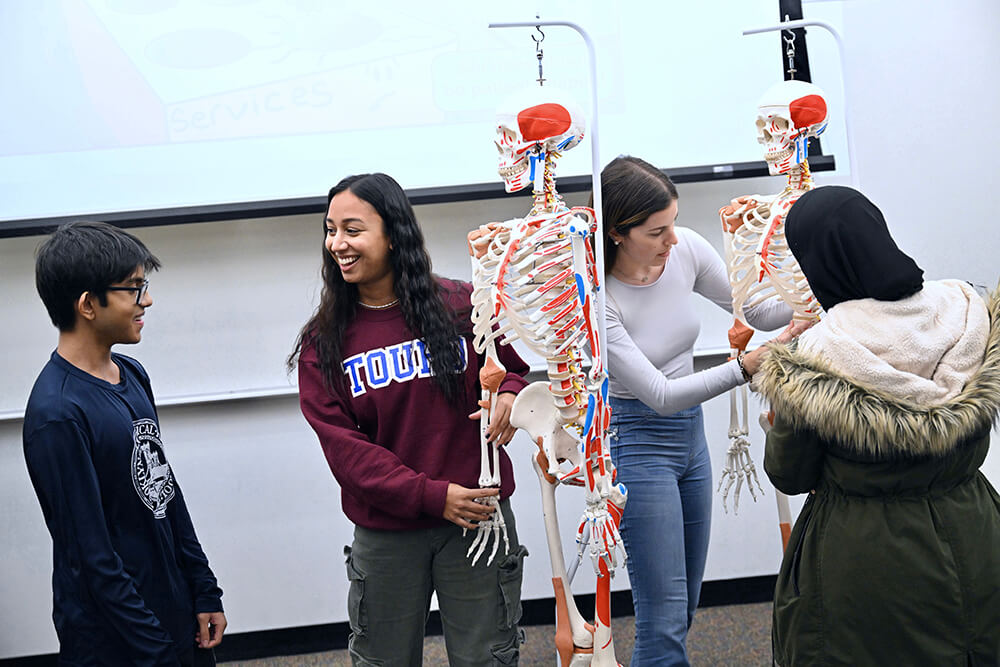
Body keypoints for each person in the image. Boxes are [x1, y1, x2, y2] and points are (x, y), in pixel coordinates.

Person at [289, 173, 530, 667]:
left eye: (352, 230)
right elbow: (347, 454)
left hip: (478, 520)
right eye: (330, 229)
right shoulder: (323, 342)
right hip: (388, 531)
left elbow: (511, 371)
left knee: (487, 658)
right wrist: (432, 496)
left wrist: (509, 396)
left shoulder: (462, 305)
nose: (337, 244)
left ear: (393, 234)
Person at [756, 185, 1000, 666]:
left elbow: (790, 474)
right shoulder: (966, 309)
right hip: (975, 532)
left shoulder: (818, 355)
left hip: (868, 564)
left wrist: (776, 421)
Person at [598, 156, 804, 666]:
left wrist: (808, 284)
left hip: (690, 439)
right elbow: (660, 395)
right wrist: (746, 366)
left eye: (672, 224)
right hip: (637, 439)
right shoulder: (597, 298)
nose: (673, 240)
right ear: (618, 234)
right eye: (656, 231)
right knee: (663, 622)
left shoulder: (685, 247)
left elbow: (755, 310)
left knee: (684, 606)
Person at [23, 221, 226, 666]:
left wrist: (203, 586)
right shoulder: (57, 414)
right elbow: (92, 559)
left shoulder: (131, 374)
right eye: (134, 289)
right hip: (117, 640)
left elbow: (164, 492)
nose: (147, 300)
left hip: (170, 609)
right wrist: (155, 651)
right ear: (87, 304)